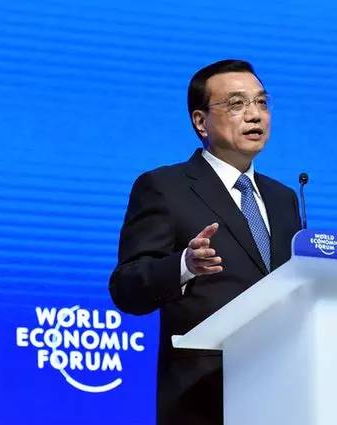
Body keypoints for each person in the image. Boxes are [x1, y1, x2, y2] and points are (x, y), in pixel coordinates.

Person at [109, 59, 302, 425]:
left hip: (283, 391)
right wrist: (184, 265)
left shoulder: (283, 198)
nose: (255, 115)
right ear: (200, 122)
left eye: (261, 102)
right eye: (237, 104)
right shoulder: (165, 187)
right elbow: (127, 286)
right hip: (203, 397)